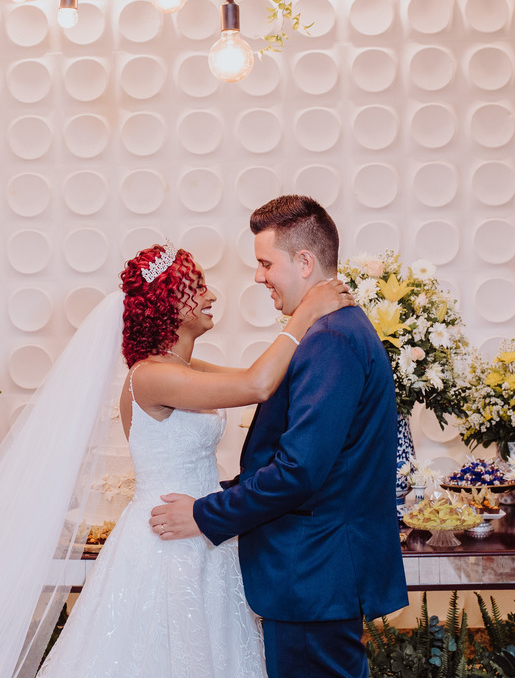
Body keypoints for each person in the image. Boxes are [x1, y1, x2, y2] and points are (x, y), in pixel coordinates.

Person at [0, 242, 351, 678]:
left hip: (202, 536)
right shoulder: (151, 375)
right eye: (198, 285)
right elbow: (256, 384)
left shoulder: (184, 367)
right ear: (170, 303)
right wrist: (308, 311)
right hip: (164, 544)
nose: (213, 295)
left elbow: (267, 382)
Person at [149, 196, 410, 678]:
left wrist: (204, 513)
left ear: (305, 262)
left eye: (266, 263)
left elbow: (299, 472)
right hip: (316, 572)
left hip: (312, 573)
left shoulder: (330, 338)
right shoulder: (334, 328)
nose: (257, 276)